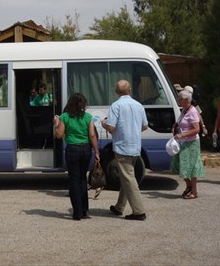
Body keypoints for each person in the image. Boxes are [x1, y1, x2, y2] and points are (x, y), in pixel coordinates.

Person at [100, 80, 148, 220]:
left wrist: (104, 123)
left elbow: (111, 127)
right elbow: (145, 126)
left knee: (128, 179)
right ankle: (119, 207)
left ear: (116, 92)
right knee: (126, 177)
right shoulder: (139, 105)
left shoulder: (116, 106)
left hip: (122, 146)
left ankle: (139, 211)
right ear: (130, 90)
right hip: (135, 145)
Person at [53, 93, 99, 220]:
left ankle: (77, 212)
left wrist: (56, 123)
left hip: (72, 149)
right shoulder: (88, 117)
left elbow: (59, 135)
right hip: (86, 149)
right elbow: (92, 135)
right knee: (83, 179)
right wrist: (96, 152)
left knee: (74, 179)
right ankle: (85, 210)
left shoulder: (65, 117)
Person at [170, 89, 205, 198]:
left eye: (180, 99)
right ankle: (188, 185)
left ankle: (194, 191)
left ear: (186, 100)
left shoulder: (193, 111)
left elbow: (196, 129)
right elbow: (181, 122)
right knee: (179, 164)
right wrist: (175, 127)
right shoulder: (184, 110)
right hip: (183, 142)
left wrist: (182, 135)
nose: (178, 101)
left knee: (192, 166)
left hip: (191, 143)